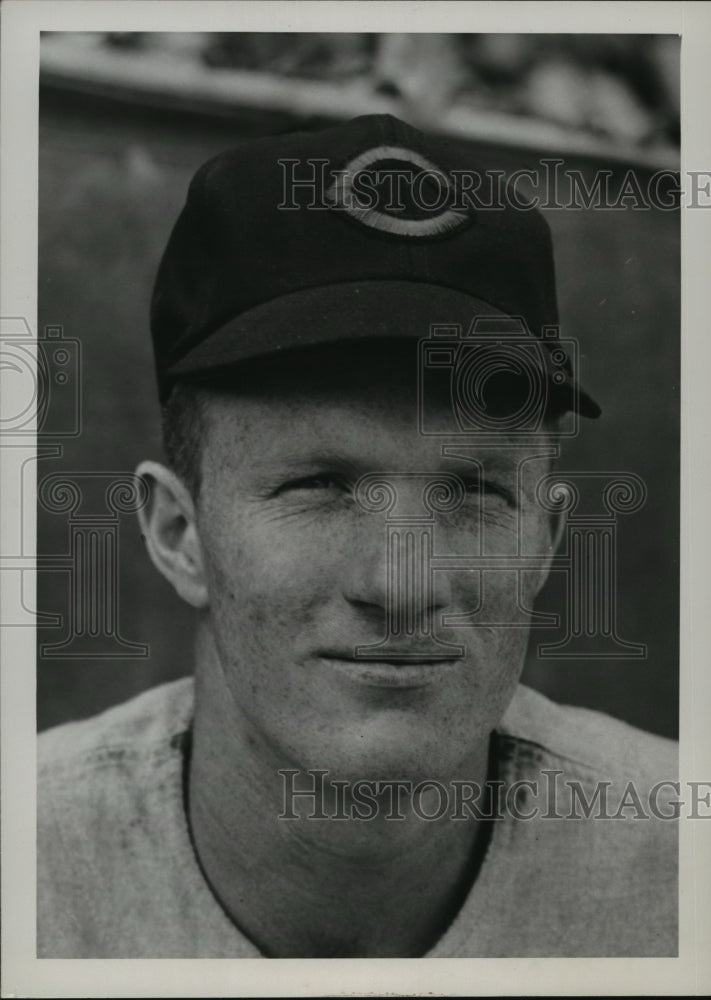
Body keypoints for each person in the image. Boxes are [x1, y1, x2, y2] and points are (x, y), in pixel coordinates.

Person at [37, 114, 677, 958]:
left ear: (548, 540)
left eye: (473, 492)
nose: (401, 584)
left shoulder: (679, 861)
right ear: (179, 532)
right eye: (318, 486)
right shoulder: (34, 867)